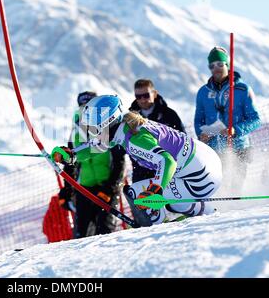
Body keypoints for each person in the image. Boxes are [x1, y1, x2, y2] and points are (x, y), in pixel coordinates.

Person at [52, 95, 222, 227]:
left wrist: (156, 189)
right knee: (139, 194)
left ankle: (170, 230)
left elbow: (167, 161)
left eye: (94, 126)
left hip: (201, 176)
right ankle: (202, 214)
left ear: (106, 122)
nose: (91, 131)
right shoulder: (123, 128)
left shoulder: (134, 138)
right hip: (205, 164)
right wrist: (71, 155)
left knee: (144, 198)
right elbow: (95, 147)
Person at [57, 91, 126, 238]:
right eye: (82, 106)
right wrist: (67, 191)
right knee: (81, 236)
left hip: (106, 187)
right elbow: (70, 163)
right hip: (84, 190)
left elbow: (119, 162)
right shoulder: (76, 132)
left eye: (88, 106)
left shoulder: (107, 129)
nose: (84, 110)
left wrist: (110, 189)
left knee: (106, 232)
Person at [194, 46, 261, 191]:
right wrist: (201, 134)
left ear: (227, 64)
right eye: (212, 65)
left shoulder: (243, 90)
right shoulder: (203, 92)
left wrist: (235, 130)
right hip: (214, 150)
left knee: (236, 190)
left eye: (219, 64)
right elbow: (198, 120)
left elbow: (256, 119)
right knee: (219, 190)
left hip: (239, 148)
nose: (216, 68)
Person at [129, 79, 186, 183]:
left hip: (168, 170)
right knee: (140, 199)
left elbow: (183, 140)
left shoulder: (169, 115)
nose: (142, 100)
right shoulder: (130, 119)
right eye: (138, 96)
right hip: (141, 172)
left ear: (154, 94)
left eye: (146, 95)